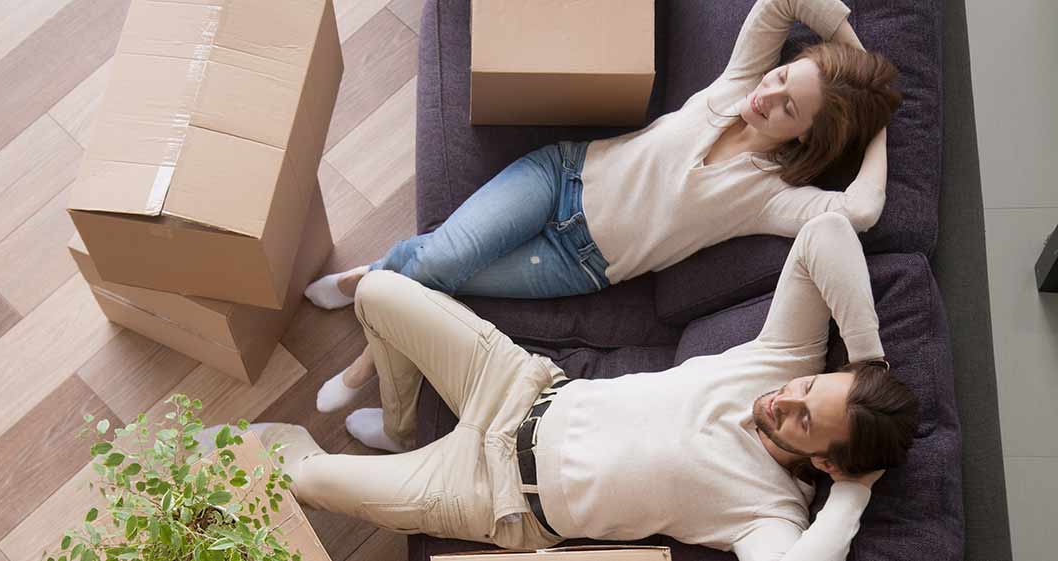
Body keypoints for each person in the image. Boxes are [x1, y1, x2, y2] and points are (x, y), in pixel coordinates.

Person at [303, 0, 904, 421]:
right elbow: (784, 1)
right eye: (779, 78)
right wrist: (847, 58)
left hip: (573, 262)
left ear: (806, 138)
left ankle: (370, 287)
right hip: (556, 175)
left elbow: (861, 210)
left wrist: (873, 130)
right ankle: (367, 364)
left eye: (787, 109)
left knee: (433, 272)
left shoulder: (771, 197)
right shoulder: (737, 84)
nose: (765, 96)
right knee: (442, 260)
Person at [241, 212, 919, 561]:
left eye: (804, 420)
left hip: (496, 496)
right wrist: (868, 361)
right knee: (380, 289)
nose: (783, 400)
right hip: (517, 384)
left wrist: (854, 492)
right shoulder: (781, 360)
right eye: (809, 386)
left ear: (827, 462)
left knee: (305, 481)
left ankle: (291, 450)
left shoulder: (770, 515)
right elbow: (827, 233)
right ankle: (397, 426)